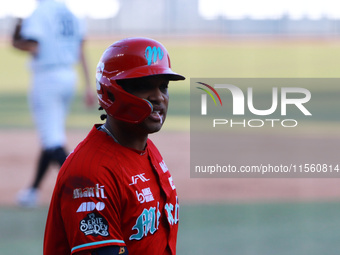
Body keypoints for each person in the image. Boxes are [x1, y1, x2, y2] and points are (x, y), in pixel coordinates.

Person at [43, 37, 185, 255]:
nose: (159, 97)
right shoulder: (91, 173)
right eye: (144, 86)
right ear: (111, 91)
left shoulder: (148, 150)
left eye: (163, 87)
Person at [12, 0, 95, 207]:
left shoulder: (40, 12)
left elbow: (33, 44)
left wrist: (14, 40)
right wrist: (87, 85)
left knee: (52, 140)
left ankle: (85, 192)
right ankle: (32, 191)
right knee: (51, 135)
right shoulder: (70, 13)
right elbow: (81, 49)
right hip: (69, 76)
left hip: (47, 78)